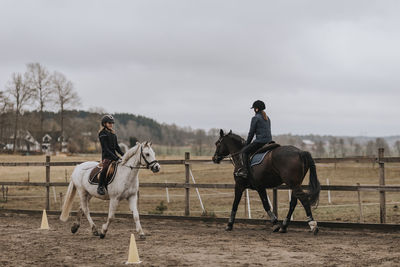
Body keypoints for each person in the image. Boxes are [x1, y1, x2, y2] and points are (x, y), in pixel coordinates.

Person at [236, 100, 272, 179]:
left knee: (244, 152)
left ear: (256, 109)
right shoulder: (267, 118)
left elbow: (251, 133)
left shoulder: (255, 118)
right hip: (269, 141)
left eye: (254, 109)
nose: (253, 110)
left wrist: (247, 144)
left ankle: (245, 171)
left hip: (260, 142)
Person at [97, 114, 124, 195]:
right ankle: (100, 186)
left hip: (114, 157)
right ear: (104, 124)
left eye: (112, 123)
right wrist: (116, 157)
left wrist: (124, 155)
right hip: (107, 157)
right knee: (105, 168)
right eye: (109, 123)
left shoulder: (113, 134)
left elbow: (117, 147)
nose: (111, 124)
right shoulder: (102, 133)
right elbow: (106, 148)